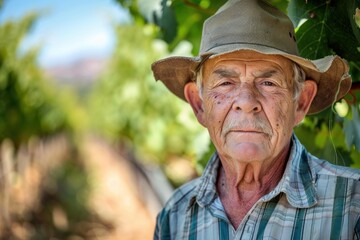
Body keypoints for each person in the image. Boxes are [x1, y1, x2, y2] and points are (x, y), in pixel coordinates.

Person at [151, 0, 360, 239]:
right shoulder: (174, 218)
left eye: (268, 83)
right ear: (199, 105)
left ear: (301, 102)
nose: (247, 101)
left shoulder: (353, 206)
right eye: (225, 83)